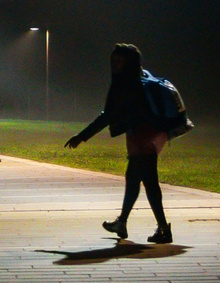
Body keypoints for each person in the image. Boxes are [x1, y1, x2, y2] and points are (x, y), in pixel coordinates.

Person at [65, 42, 174, 244]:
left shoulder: (123, 84)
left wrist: (82, 136)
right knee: (133, 179)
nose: (114, 64)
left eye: (118, 61)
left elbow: (107, 116)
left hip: (141, 138)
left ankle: (162, 228)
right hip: (149, 134)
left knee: (149, 181)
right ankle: (123, 222)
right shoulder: (140, 77)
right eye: (112, 60)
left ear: (127, 63)